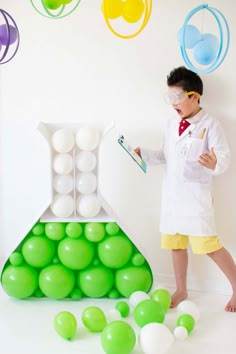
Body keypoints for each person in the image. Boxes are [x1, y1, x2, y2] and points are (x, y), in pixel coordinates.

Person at [135, 66, 236, 312]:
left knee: (210, 246)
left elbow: (223, 157)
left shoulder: (211, 125)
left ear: (194, 96)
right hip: (173, 198)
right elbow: (165, 155)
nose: (172, 104)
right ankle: (181, 289)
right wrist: (143, 155)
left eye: (177, 97)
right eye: (169, 98)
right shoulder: (170, 124)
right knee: (176, 245)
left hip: (195, 199)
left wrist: (215, 163)